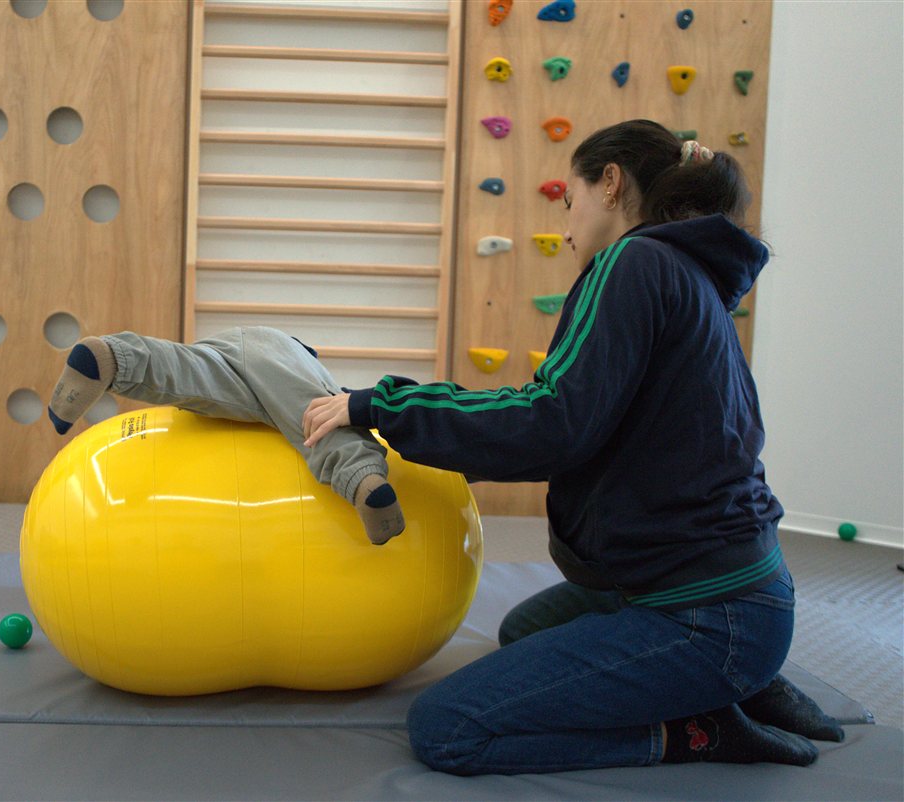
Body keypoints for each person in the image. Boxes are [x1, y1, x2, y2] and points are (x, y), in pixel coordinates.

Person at [301, 119, 846, 775]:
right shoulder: (684, 270)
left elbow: (551, 422)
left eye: (570, 200)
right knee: (526, 631)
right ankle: (745, 679)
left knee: (449, 729)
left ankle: (701, 729)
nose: (565, 226)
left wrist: (381, 405)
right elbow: (579, 423)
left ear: (610, 183)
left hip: (710, 612)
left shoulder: (635, 262)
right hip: (725, 591)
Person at [46, 326, 405, 545]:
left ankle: (114, 357)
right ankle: (361, 478)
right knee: (315, 415)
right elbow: (327, 408)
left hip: (225, 345)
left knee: (188, 374)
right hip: (287, 350)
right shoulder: (304, 366)